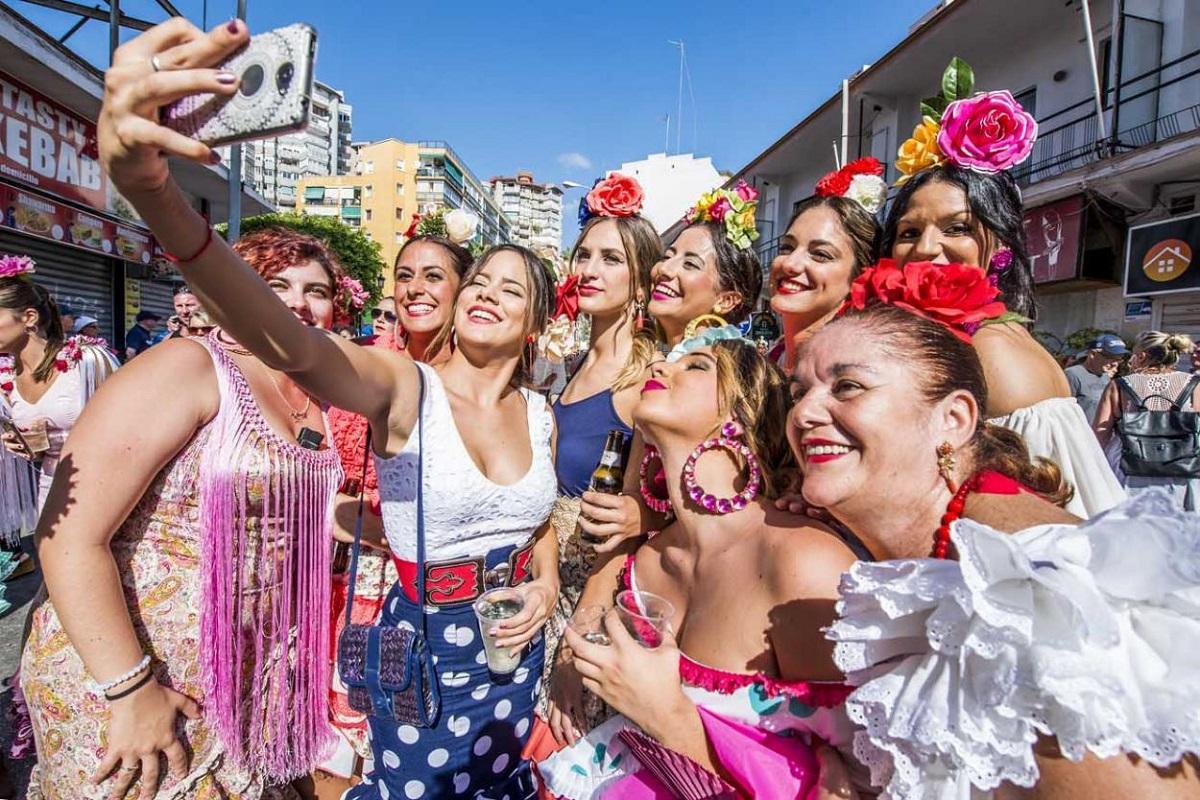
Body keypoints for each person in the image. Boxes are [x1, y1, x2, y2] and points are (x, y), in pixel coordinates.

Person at [96, 22, 560, 795]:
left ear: (535, 325)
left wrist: (543, 584)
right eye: (480, 280)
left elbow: (536, 521)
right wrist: (154, 194)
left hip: (514, 647)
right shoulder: (405, 386)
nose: (485, 292)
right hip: (423, 647)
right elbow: (290, 342)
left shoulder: (541, 414)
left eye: (510, 289)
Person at [791, 299, 1200, 799]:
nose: (804, 412)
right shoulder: (922, 562)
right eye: (799, 392)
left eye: (848, 386)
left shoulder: (1041, 596)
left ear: (954, 418)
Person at [20, 227, 348, 798]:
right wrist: (129, 688)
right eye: (276, 284)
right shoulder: (187, 366)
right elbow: (67, 538)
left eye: (316, 290)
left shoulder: (315, 391)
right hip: (139, 665)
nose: (298, 301)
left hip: (249, 673)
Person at [539, 332, 862, 798]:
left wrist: (666, 716)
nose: (659, 369)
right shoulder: (644, 564)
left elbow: (862, 780)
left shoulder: (801, 565)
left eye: (695, 366)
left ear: (741, 412)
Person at [882, 63, 1123, 518]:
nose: (926, 249)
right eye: (909, 232)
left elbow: (1049, 530)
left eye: (957, 228)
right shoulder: (959, 341)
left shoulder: (996, 355)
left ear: (1001, 250)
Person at [316, 231, 471, 790]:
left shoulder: (486, 383)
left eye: (433, 276)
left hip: (451, 594)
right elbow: (330, 493)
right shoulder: (371, 368)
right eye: (404, 275)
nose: (414, 289)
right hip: (366, 583)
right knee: (358, 736)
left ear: (463, 289)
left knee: (433, 736)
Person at [538, 174, 661, 727]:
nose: (588, 270)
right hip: (547, 591)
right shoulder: (569, 368)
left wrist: (577, 641)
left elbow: (630, 526)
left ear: (641, 283)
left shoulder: (648, 380)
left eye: (611, 258)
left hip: (597, 605)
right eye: (583, 254)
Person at [770, 159, 884, 371]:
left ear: (860, 276)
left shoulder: (855, 376)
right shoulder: (767, 363)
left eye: (820, 254)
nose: (790, 264)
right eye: (787, 247)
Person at [1093, 330, 1199, 510]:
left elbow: (1099, 434)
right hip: (1182, 469)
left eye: (1132, 356)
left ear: (1142, 356)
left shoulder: (1119, 386)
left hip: (1128, 467)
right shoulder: (1194, 385)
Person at [1065, 333, 1127, 424]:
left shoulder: (1106, 377)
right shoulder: (1072, 375)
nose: (1115, 363)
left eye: (1119, 359)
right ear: (1093, 354)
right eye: (1110, 357)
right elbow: (1061, 411)